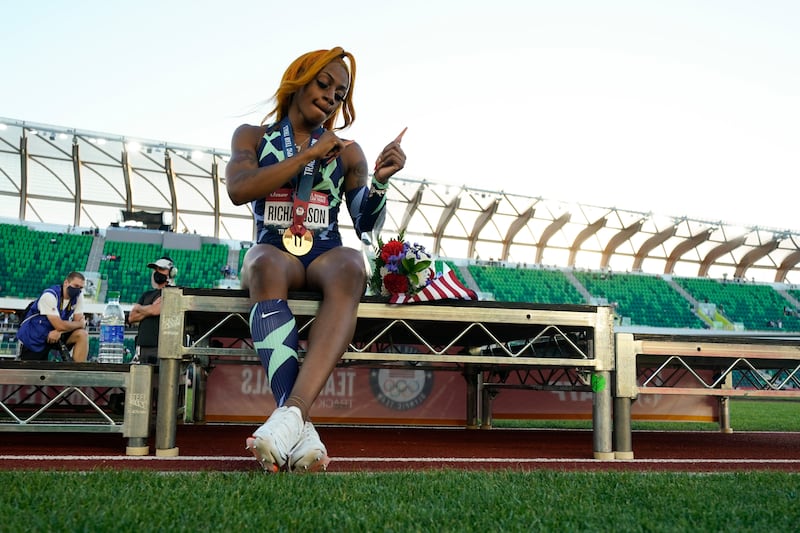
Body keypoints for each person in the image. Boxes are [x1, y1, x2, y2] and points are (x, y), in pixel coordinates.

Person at [225, 46, 406, 473]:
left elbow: (364, 223)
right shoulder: (253, 137)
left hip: (325, 253)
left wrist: (380, 183)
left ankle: (289, 418)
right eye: (323, 84)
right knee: (263, 263)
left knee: (351, 265)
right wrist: (307, 155)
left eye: (339, 94)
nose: (330, 97)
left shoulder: (349, 152)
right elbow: (239, 189)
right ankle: (300, 426)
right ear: (298, 80)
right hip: (274, 250)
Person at [17, 271, 88, 362]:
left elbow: (77, 321)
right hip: (35, 337)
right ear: (66, 283)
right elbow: (63, 325)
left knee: (82, 334)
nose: (78, 290)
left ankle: (79, 369)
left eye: (81, 287)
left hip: (56, 334)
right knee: (31, 368)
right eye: (76, 286)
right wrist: (80, 324)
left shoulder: (78, 296)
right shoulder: (49, 296)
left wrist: (60, 331)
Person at [128, 256, 177, 364]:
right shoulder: (146, 294)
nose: (157, 272)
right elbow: (132, 317)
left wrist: (140, 308)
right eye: (155, 269)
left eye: (161, 269)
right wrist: (150, 308)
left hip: (161, 349)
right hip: (142, 349)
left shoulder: (173, 293)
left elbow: (156, 310)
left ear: (171, 272)